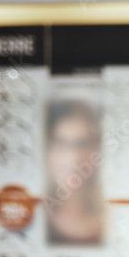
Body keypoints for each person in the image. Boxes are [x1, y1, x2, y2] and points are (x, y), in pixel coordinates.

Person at [43, 97, 106, 245]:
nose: (73, 157)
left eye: (83, 143)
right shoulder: (34, 214)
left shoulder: (112, 216)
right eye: (61, 143)